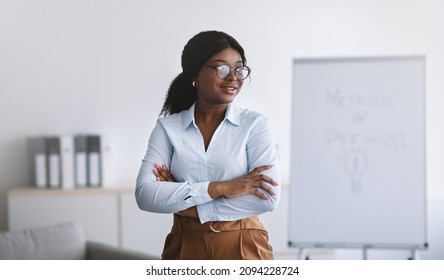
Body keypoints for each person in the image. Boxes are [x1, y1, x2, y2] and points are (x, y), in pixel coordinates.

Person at [135, 30, 281, 260]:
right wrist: (222, 188)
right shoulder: (168, 129)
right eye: (221, 68)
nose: (233, 77)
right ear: (195, 73)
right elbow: (145, 194)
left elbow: (267, 197)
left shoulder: (254, 125)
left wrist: (188, 206)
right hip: (185, 247)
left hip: (245, 245)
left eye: (239, 68)